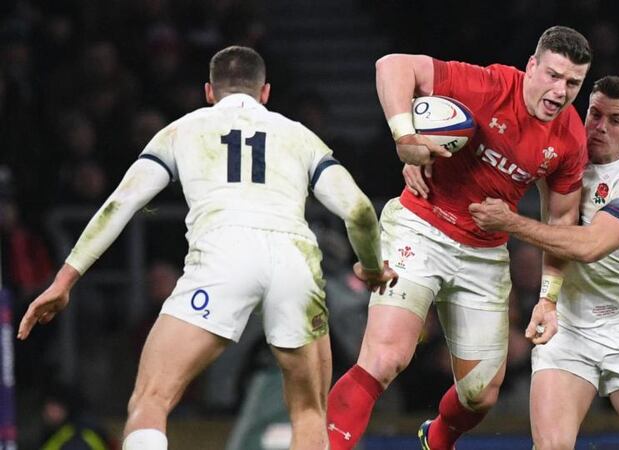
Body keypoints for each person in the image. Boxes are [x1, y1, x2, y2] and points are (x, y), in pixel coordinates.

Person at [17, 45, 397, 450]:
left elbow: (120, 203)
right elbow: (358, 209)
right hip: (294, 261)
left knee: (150, 400)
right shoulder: (299, 135)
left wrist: (64, 279)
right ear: (265, 92)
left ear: (209, 92)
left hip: (222, 257)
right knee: (308, 414)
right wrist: (371, 268)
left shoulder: (182, 131)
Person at [325, 26, 592, 450]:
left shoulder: (570, 138)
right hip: (420, 225)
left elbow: (561, 222)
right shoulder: (488, 85)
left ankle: (436, 438)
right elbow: (391, 66)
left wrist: (548, 296)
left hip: (484, 254)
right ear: (531, 67)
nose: (560, 91)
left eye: (573, 83)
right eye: (553, 76)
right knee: (385, 358)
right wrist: (405, 138)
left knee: (480, 396)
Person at [469, 76, 619, 450]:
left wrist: (511, 222)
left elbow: (588, 246)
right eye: (595, 114)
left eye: (617, 120)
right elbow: (492, 149)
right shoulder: (558, 150)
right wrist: (425, 160)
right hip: (567, 327)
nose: (601, 127)